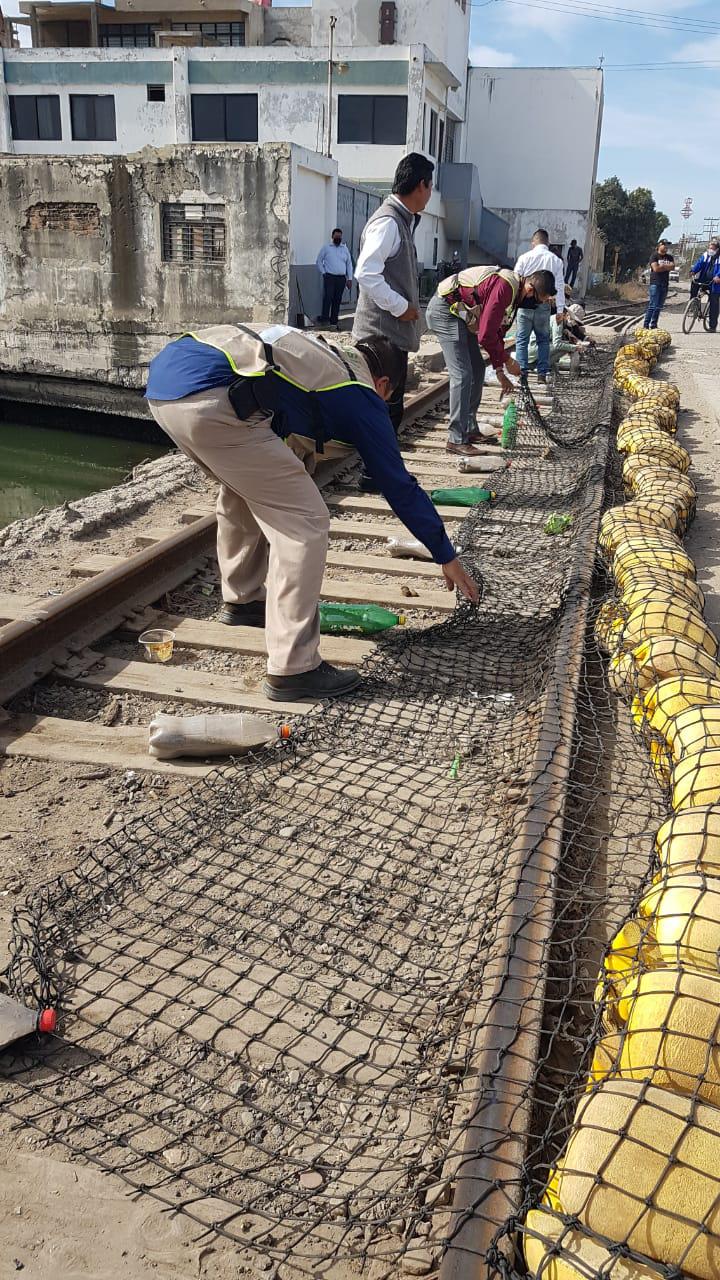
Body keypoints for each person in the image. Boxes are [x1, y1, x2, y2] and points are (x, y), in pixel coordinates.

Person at [145, 325, 479, 703]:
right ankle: (294, 667)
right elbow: (398, 485)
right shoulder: (361, 393)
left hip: (165, 388)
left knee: (243, 488)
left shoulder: (323, 352)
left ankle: (242, 598)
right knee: (304, 522)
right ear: (383, 383)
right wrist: (445, 554)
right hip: (214, 399)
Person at [353, 153, 434, 454]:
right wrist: (402, 307)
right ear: (420, 186)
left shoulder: (401, 221)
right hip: (380, 337)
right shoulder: (388, 223)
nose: (429, 195)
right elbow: (366, 273)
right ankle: (374, 476)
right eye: (430, 187)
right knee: (384, 411)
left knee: (388, 409)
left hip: (389, 336)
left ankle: (378, 474)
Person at [426, 266, 556, 454]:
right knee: (462, 375)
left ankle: (469, 429)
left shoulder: (513, 293)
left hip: (461, 316)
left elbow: (496, 333)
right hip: (445, 312)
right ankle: (456, 439)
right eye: (538, 301)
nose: (536, 306)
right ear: (529, 290)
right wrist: (508, 361)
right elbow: (485, 335)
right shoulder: (505, 287)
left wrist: (500, 371)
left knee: (478, 368)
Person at [514, 231, 566, 385]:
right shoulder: (556, 260)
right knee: (543, 340)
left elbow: (515, 280)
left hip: (524, 305)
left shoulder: (524, 258)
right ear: (547, 243)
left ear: (533, 242)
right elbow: (560, 286)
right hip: (544, 305)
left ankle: (522, 373)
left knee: (522, 340)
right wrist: (560, 311)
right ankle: (542, 373)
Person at [316, 228, 353, 330]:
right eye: (336, 236)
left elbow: (349, 264)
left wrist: (349, 278)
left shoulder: (345, 249)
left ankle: (334, 322)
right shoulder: (326, 248)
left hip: (341, 279)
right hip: (330, 277)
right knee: (328, 298)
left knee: (337, 300)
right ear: (332, 237)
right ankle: (324, 319)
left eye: (339, 236)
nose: (338, 238)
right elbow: (319, 261)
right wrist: (324, 273)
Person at [690, 238, 720, 333]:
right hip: (704, 279)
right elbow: (699, 264)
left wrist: (718, 276)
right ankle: (693, 303)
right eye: (710, 248)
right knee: (694, 284)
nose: (711, 250)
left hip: (715, 283)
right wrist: (693, 271)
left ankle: (712, 326)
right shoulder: (706, 255)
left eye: (713, 248)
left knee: (714, 302)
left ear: (717, 249)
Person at [644, 240, 675, 330]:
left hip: (665, 284)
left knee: (659, 306)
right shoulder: (654, 256)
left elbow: (673, 267)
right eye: (664, 245)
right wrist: (666, 267)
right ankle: (646, 325)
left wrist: (662, 266)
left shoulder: (669, 257)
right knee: (652, 305)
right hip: (655, 283)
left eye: (667, 246)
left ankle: (654, 325)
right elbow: (656, 269)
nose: (666, 247)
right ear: (659, 245)